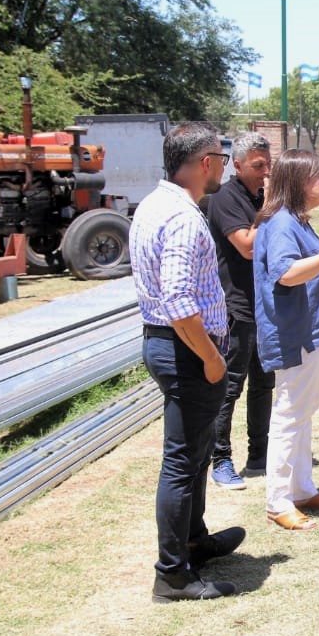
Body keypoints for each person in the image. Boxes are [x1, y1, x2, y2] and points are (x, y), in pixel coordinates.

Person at [130, 122, 243, 603]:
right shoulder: (181, 217)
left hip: (169, 345)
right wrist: (213, 358)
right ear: (203, 163)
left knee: (194, 456)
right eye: (221, 157)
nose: (225, 166)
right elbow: (179, 301)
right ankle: (173, 574)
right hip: (186, 350)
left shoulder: (156, 204)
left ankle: (194, 541)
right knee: (181, 463)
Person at [253, 149, 319, 531]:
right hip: (294, 333)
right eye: (318, 176)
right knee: (290, 413)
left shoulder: (294, 221)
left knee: (302, 412)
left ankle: (301, 488)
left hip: (309, 331)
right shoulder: (280, 224)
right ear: (298, 183)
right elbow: (287, 274)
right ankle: (278, 501)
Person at [206, 133, 274, 490]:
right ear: (238, 164)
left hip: (265, 307)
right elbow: (247, 246)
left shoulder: (263, 198)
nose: (265, 172)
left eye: (268, 164)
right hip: (236, 307)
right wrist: (270, 207)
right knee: (230, 387)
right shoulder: (224, 198)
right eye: (258, 166)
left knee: (264, 384)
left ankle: (259, 455)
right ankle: (221, 460)